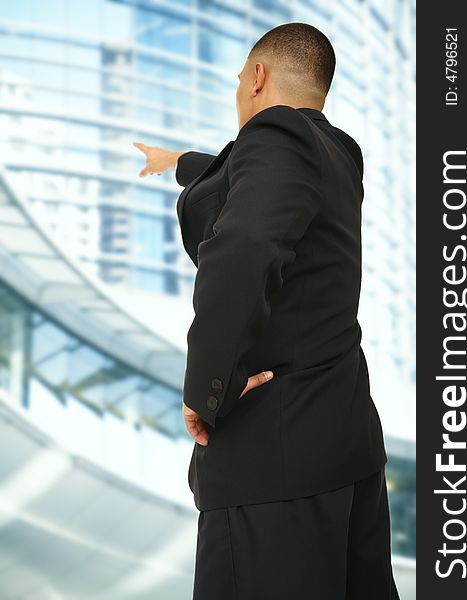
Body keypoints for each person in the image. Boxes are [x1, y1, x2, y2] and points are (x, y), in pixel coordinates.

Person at [134, 21, 400, 600]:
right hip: (344, 450)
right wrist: (177, 160)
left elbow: (244, 248)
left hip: (276, 465)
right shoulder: (338, 152)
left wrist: (209, 390)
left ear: (257, 77)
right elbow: (248, 179)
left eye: (237, 81)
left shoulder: (275, 137)